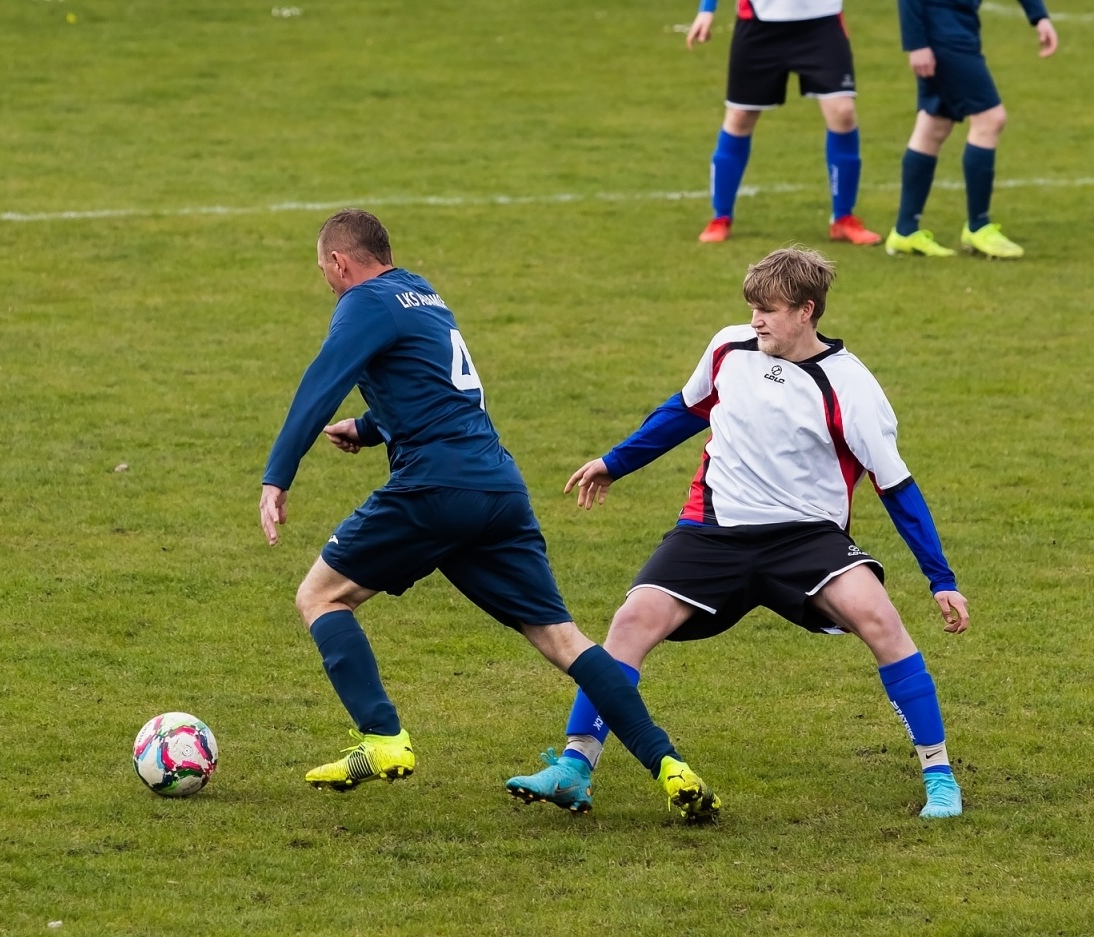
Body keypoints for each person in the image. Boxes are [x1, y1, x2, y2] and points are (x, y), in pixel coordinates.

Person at [259, 209, 718, 820]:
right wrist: (369, 429)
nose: (328, 284)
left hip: (434, 486)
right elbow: (438, 389)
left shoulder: (363, 302)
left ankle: (383, 737)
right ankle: (670, 765)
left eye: (325, 273)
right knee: (561, 638)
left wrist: (276, 476)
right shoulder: (424, 295)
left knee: (320, 596)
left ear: (341, 262)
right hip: (497, 487)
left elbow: (319, 384)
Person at [506, 246, 970, 819]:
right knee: (629, 623)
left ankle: (940, 777)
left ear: (806, 311)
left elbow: (896, 487)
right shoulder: (729, 348)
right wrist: (614, 462)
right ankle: (574, 768)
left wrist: (940, 579)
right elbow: (684, 410)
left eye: (768, 310)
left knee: (880, 620)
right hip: (712, 531)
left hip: (807, 539)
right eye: (751, 307)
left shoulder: (850, 387)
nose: (756, 320)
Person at [686, 0, 881, 247]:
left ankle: (843, 218)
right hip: (759, 22)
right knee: (740, 117)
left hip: (822, 22)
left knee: (843, 112)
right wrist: (707, 9)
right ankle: (721, 217)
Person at [884, 0, 1058, 258]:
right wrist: (916, 43)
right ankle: (978, 227)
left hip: (960, 24)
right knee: (990, 119)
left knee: (935, 125)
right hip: (940, 30)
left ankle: (905, 231)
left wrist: (1039, 16)